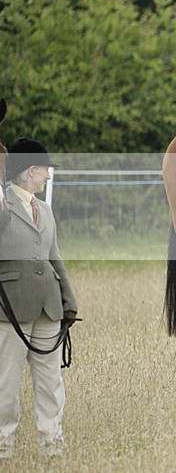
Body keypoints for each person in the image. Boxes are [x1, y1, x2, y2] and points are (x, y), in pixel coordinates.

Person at [0, 138, 78, 458]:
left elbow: (54, 258)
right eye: (45, 169)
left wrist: (68, 300)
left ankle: (52, 445)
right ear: (31, 170)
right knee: (6, 384)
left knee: (51, 383)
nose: (48, 175)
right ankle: (4, 446)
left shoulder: (44, 210)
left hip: (48, 307)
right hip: (11, 308)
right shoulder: (2, 205)